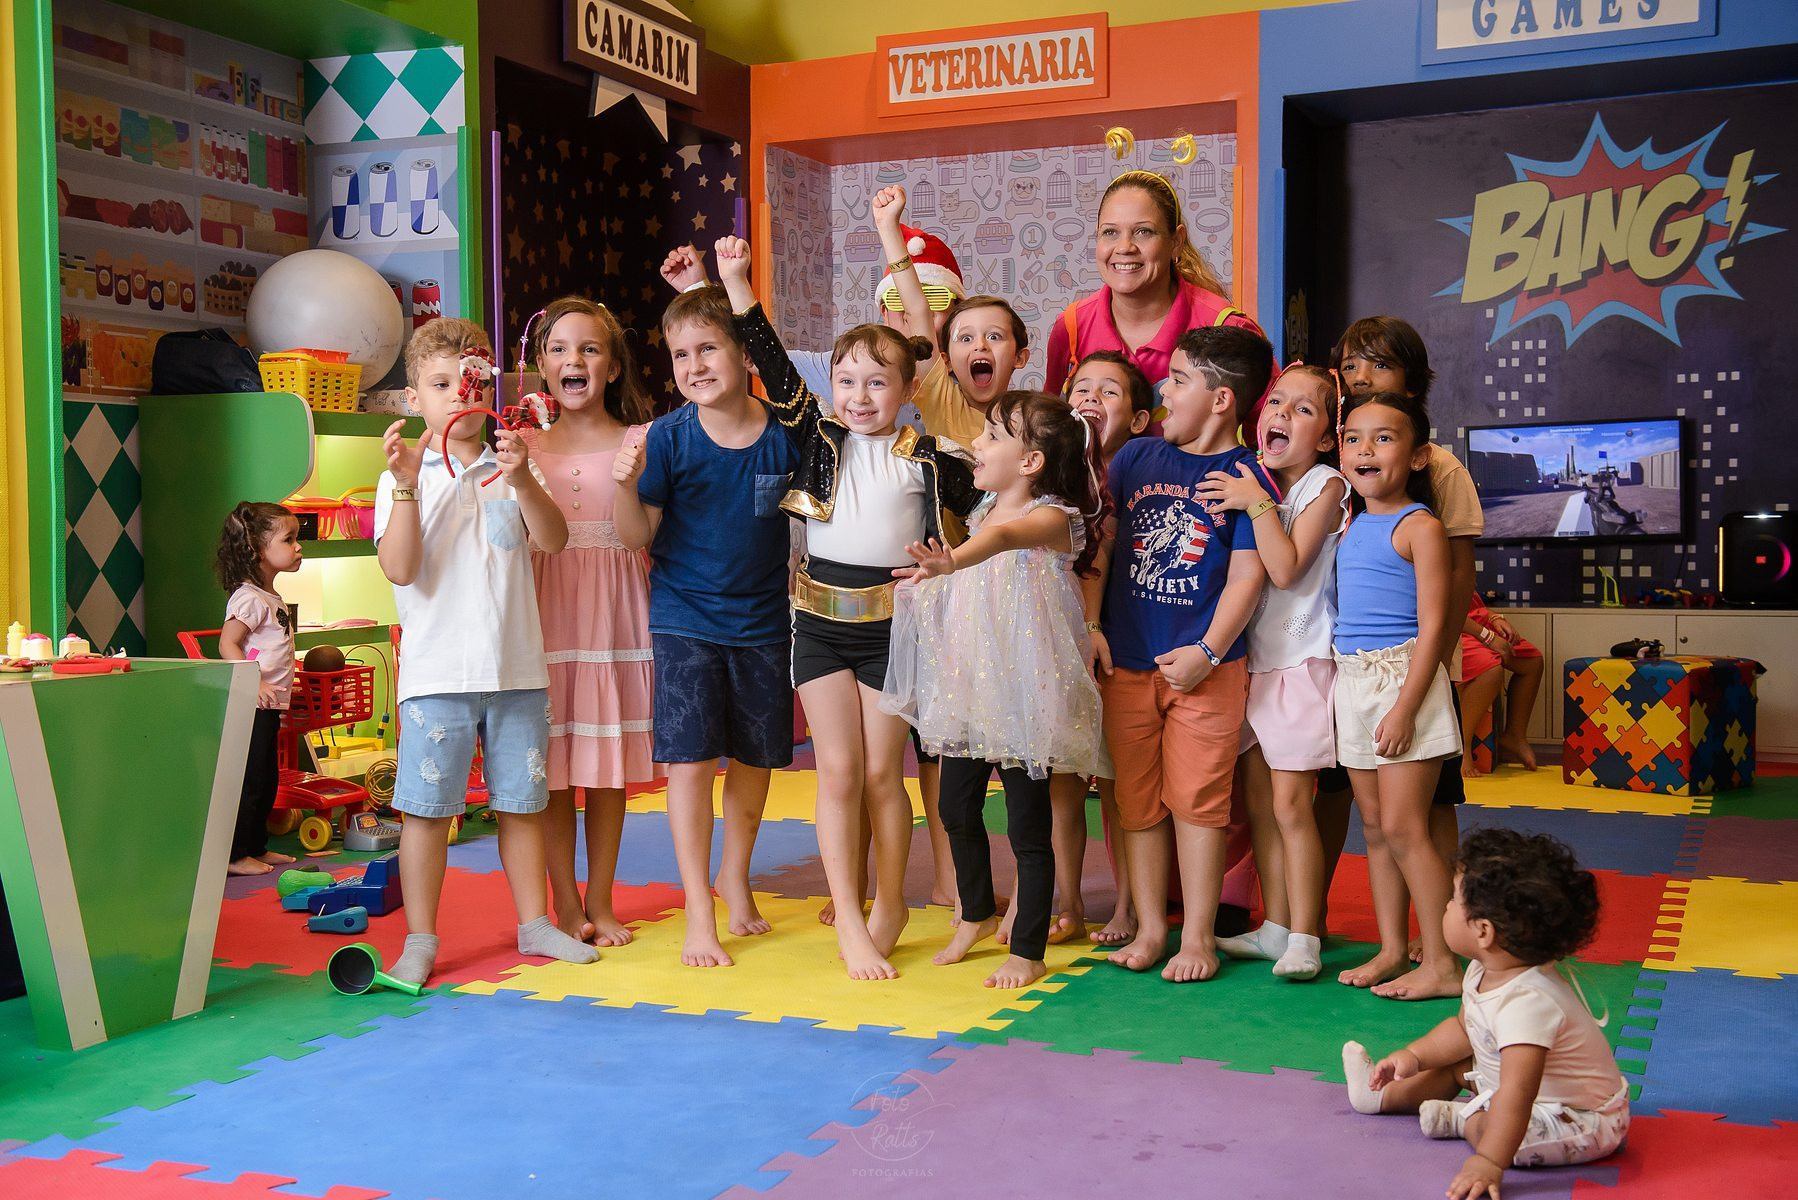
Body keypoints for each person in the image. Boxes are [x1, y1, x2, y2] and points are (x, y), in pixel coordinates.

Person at [715, 234, 980, 980]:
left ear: (908, 389)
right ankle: (852, 918)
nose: (860, 397)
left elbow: (997, 511)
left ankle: (892, 903)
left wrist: (949, 564)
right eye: (847, 381)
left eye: (877, 383)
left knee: (881, 776)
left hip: (893, 631)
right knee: (836, 772)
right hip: (820, 626)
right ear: (830, 388)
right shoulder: (817, 436)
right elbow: (770, 360)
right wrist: (736, 281)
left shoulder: (931, 458)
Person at [375, 317, 594, 988]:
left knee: (522, 804)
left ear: (490, 387)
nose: (458, 396)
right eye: (440, 384)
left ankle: (534, 923)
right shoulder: (402, 475)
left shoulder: (513, 464)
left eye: (470, 381)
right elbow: (400, 568)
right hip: (436, 674)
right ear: (414, 398)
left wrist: (522, 479)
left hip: (517, 668)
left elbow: (553, 541)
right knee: (426, 812)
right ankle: (420, 939)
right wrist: (407, 485)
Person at [883, 391, 1111, 990]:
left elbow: (1006, 540)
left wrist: (951, 561)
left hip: (1024, 695)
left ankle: (1028, 948)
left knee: (1026, 825)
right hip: (974, 687)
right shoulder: (984, 507)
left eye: (991, 437)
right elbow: (975, 594)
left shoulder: (1053, 517)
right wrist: (928, 585)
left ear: (1031, 462)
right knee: (954, 807)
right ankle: (977, 912)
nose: (977, 444)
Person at [612, 285, 801, 968]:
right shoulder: (667, 437)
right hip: (684, 619)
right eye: (680, 354)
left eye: (708, 348)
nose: (693, 365)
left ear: (744, 352)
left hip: (763, 622)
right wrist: (623, 484)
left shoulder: (784, 432)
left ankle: (734, 877)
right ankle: (698, 906)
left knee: (756, 759)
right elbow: (635, 534)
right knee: (690, 764)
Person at [1086, 326, 1272, 983]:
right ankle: (1150, 927)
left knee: (1198, 803)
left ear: (1221, 399)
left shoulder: (1247, 476)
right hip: (1127, 663)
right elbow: (1104, 547)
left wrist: (1207, 652)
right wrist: (1092, 623)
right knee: (1137, 802)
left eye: (1180, 379)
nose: (1164, 390)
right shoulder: (1136, 458)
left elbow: (1248, 577)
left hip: (1205, 671)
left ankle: (1197, 936)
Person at [1344, 829, 1629, 1200]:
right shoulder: (1483, 969)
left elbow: (1518, 1092)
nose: (1445, 907)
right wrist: (1413, 1056)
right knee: (1457, 1063)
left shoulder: (1527, 1003)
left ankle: (1465, 1121)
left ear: (1483, 931)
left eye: (1452, 900)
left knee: (1513, 1135)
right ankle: (1380, 1097)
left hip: (1579, 1119)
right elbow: (1464, 1030)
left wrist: (1489, 1161)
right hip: (1519, 1091)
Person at [1332, 316, 1486, 975]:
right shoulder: (1352, 508)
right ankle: (1395, 948)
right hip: (1353, 678)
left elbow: (1442, 602)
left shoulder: (1425, 506)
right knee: (1377, 828)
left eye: (1379, 363)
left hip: (1407, 676)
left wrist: (1415, 696)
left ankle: (1441, 956)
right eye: (1351, 365)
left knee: (1410, 823)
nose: (1361, 376)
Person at [1195, 364, 1349, 980]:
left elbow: (1286, 569)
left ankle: (1307, 934)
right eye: (1276, 402)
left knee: (1290, 805)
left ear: (1328, 437)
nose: (1281, 414)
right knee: (1260, 805)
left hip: (1300, 663)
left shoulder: (1325, 484)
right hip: (1254, 663)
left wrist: (1256, 503)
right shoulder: (1254, 477)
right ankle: (1277, 926)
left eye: (1303, 409)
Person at [521, 296, 658, 946]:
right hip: (542, 616)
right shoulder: (519, 445)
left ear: (612, 366)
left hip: (614, 620)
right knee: (551, 770)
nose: (573, 359)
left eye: (589, 348)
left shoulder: (641, 441)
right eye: (559, 349)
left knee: (605, 771)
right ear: (542, 365)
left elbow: (643, 534)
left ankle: (601, 901)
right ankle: (565, 903)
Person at [1066, 350, 1154, 947]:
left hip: (1120, 643)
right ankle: (1069, 899)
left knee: (1121, 782)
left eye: (1109, 391)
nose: (1091, 398)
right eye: (1082, 387)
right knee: (1065, 781)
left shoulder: (1139, 475)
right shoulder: (1053, 466)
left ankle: (1127, 903)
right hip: (1058, 641)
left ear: (1139, 420)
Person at [1043, 169, 1265, 397]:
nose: (1124, 247)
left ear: (1176, 242)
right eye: (1110, 232)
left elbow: (1274, 416)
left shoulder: (1229, 328)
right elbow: (1048, 418)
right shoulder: (1071, 328)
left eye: (1143, 231)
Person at [213, 501, 303, 877]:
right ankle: (234, 855)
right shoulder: (249, 597)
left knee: (266, 779)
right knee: (249, 780)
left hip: (268, 705)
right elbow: (228, 644)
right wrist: (258, 682)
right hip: (252, 704)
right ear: (257, 549)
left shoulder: (268, 596)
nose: (298, 546)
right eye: (289, 539)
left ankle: (256, 847)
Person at [1459, 592, 1544, 776]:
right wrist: (1487, 637)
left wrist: (1494, 617)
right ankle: (1462, 746)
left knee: (1532, 662)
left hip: (1474, 624)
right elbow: (1444, 610)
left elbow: (1469, 603)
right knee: (1490, 670)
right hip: (1454, 629)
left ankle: (1515, 734)